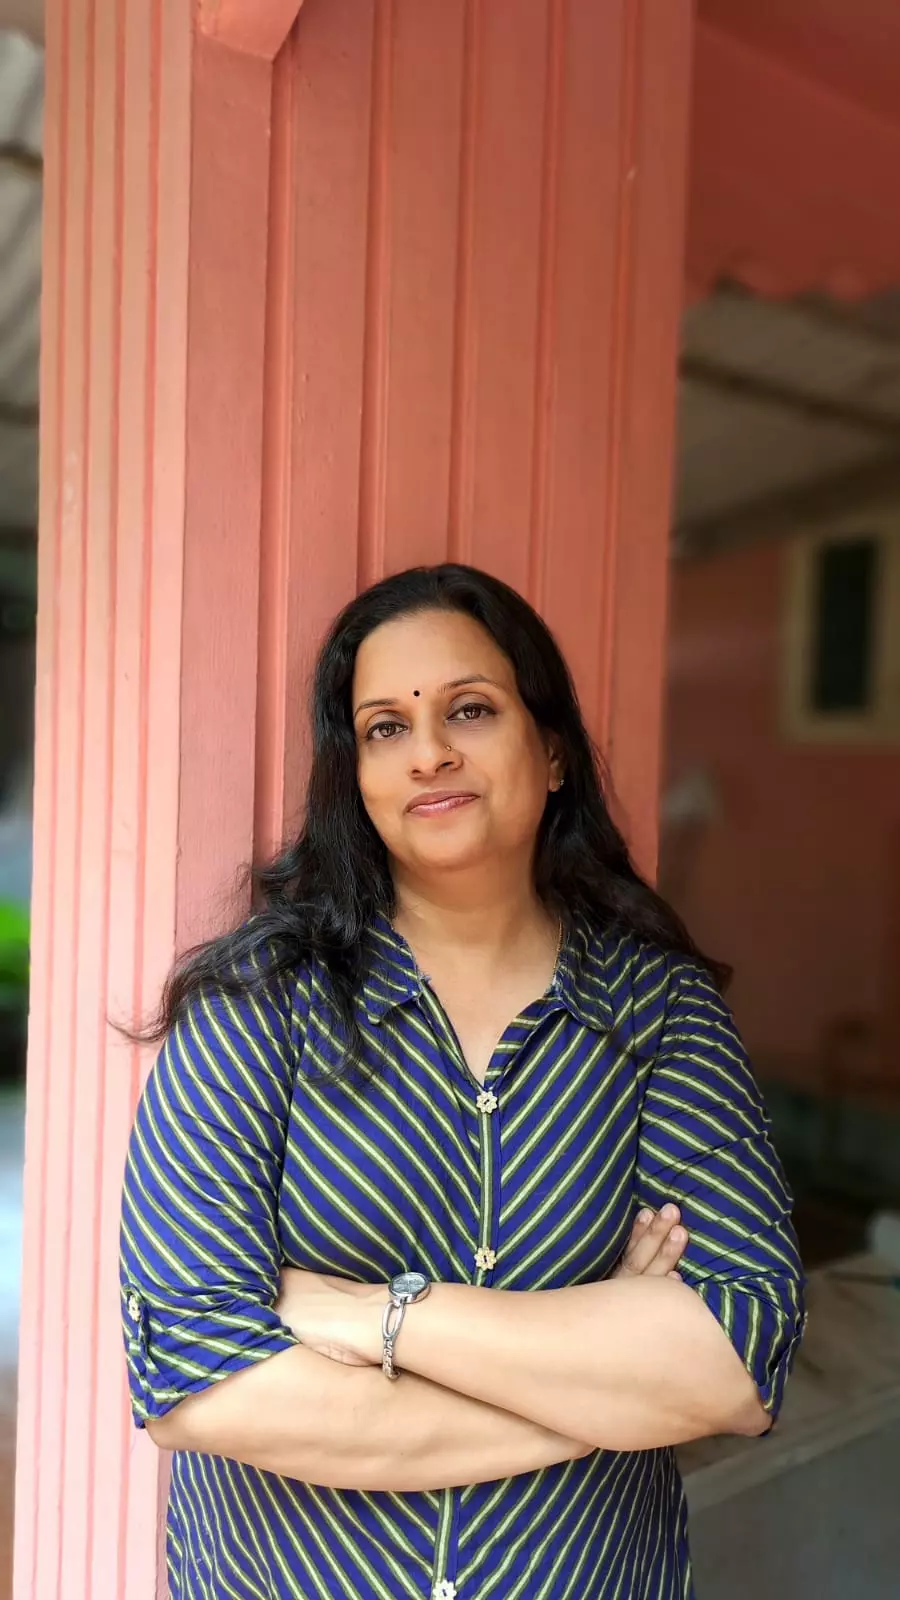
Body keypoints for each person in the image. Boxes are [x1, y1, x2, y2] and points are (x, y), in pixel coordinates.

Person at [119, 563, 806, 1600]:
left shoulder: (657, 1010)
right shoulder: (259, 1004)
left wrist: (376, 1316)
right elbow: (196, 1379)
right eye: (386, 727)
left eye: (471, 710)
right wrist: (605, 1390)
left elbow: (740, 1358)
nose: (429, 751)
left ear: (554, 749)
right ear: (356, 775)